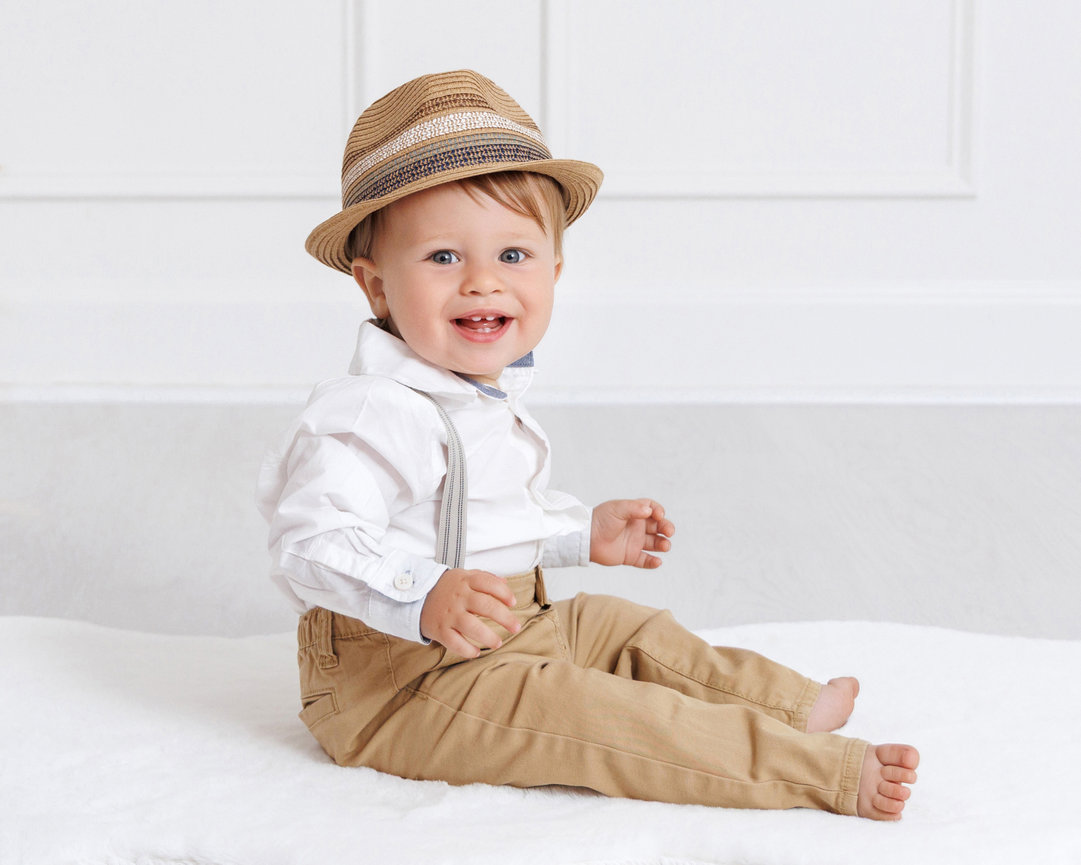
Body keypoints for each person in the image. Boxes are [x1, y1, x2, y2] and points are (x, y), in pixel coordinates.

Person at [256, 69, 918, 819]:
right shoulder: (372, 411)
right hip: (402, 680)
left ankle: (785, 702)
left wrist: (578, 532)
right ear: (375, 287)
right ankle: (811, 770)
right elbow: (309, 542)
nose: (482, 282)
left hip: (513, 622)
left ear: (554, 271)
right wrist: (419, 592)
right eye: (443, 257)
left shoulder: (480, 390)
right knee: (597, 716)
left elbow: (493, 516)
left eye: (512, 256)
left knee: (624, 626)